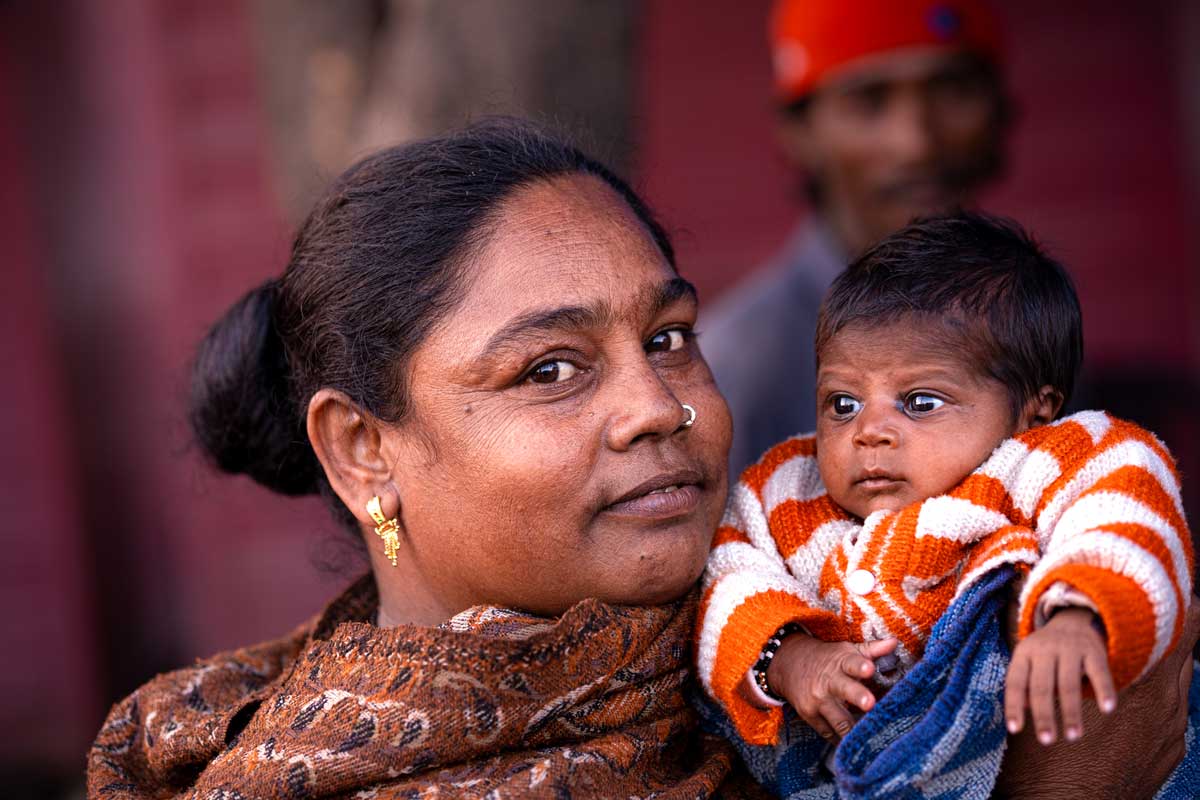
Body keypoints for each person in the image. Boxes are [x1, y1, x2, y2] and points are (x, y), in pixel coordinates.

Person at [87, 121, 1193, 799]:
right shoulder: (250, 763)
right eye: (550, 369)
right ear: (363, 448)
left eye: (669, 337)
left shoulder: (830, 608)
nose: (659, 408)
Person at [696, 214, 1194, 795]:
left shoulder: (1047, 460)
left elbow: (1124, 512)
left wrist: (1078, 618)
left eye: (920, 401)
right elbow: (726, 571)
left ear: (1033, 413)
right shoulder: (788, 486)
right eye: (843, 402)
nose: (869, 432)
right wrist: (791, 656)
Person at [702, 0, 1010, 474]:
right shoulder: (738, 367)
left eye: (951, 89)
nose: (916, 142)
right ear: (799, 131)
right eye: (870, 100)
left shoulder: (1026, 310)